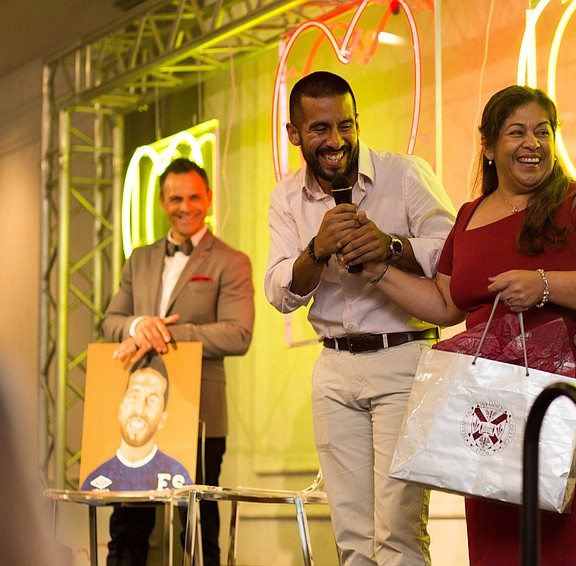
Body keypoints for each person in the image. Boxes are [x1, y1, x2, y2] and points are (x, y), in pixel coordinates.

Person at [355, 84, 576, 565]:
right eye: (517, 132)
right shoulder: (468, 216)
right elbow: (446, 302)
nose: (533, 143)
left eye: (543, 131)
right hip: (488, 409)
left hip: (574, 403)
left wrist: (545, 285)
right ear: (488, 146)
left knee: (569, 549)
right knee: (496, 551)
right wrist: (378, 272)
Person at [264, 70, 456, 565]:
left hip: (406, 356)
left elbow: (455, 255)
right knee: (351, 537)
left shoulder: (407, 174)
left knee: (398, 531)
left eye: (345, 126)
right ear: (294, 134)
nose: (335, 141)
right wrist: (316, 250)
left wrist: (392, 246)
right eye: (320, 129)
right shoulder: (286, 198)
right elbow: (280, 291)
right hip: (332, 368)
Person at [102, 157, 254, 566]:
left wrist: (168, 333)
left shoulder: (231, 260)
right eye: (175, 199)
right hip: (140, 415)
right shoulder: (140, 258)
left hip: (200, 414)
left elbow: (239, 334)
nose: (184, 207)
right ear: (161, 201)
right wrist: (139, 325)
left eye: (192, 197)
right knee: (127, 529)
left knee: (198, 531)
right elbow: (110, 322)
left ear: (207, 197)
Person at [83, 353, 192, 492]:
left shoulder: (179, 478)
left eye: (152, 401)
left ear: (162, 418)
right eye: (134, 396)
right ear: (120, 408)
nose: (140, 410)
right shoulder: (94, 481)